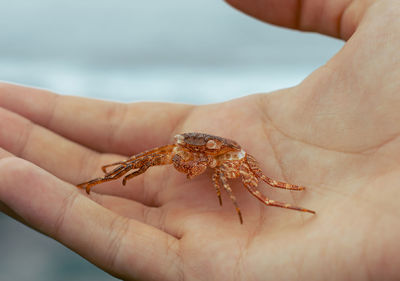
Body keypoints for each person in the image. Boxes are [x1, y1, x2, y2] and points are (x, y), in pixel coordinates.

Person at [1, 0, 399, 280]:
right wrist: (119, 169)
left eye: (190, 151)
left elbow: (233, 183)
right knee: (137, 160)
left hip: (230, 155)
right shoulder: (181, 148)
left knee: (251, 189)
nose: (180, 155)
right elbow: (155, 156)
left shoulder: (227, 158)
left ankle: (284, 198)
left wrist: (253, 190)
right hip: (208, 146)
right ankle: (96, 181)